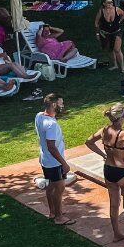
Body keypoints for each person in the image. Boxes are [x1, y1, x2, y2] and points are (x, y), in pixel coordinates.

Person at [85, 102, 124, 242]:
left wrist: (103, 154)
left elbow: (89, 142)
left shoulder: (104, 130)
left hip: (109, 169)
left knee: (114, 203)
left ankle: (117, 234)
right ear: (122, 118)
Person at [36, 94, 75, 225]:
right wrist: (64, 164)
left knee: (51, 186)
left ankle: (53, 212)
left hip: (45, 160)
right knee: (59, 188)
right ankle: (59, 217)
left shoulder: (39, 116)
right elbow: (51, 147)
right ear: (54, 105)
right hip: (54, 162)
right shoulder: (51, 124)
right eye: (60, 103)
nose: (62, 106)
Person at [94, 0, 124, 72]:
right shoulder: (101, 11)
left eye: (111, 2)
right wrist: (97, 34)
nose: (111, 3)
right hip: (105, 33)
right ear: (104, 3)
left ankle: (122, 68)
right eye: (108, 2)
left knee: (117, 49)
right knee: (110, 50)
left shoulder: (117, 9)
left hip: (116, 32)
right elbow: (96, 23)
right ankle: (115, 65)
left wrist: (119, 21)